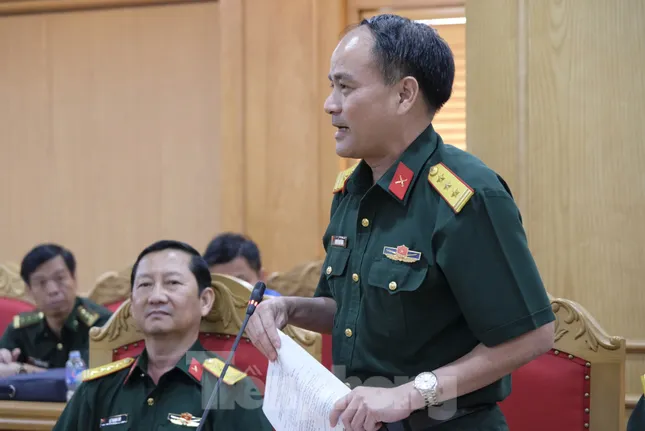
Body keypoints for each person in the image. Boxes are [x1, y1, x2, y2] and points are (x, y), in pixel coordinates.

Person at [246, 14, 555, 431]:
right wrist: (289, 308)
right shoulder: (351, 191)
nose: (330, 104)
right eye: (331, 86)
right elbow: (350, 309)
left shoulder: (466, 195)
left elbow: (532, 335)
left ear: (404, 94)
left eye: (345, 87)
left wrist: (409, 395)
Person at [53, 240, 272, 431]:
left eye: (172, 283)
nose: (156, 297)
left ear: (205, 301)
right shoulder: (99, 388)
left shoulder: (229, 392)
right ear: (132, 304)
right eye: (145, 285)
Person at [0, 244, 112, 377]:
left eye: (60, 278)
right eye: (41, 283)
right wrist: (4, 360)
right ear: (29, 291)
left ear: (74, 279)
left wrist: (24, 371)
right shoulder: (21, 329)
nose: (53, 290)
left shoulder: (102, 324)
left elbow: (84, 377)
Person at [204, 232, 280, 296]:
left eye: (239, 282)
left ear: (262, 278)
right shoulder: (205, 304)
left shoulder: (277, 306)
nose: (230, 295)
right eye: (219, 286)